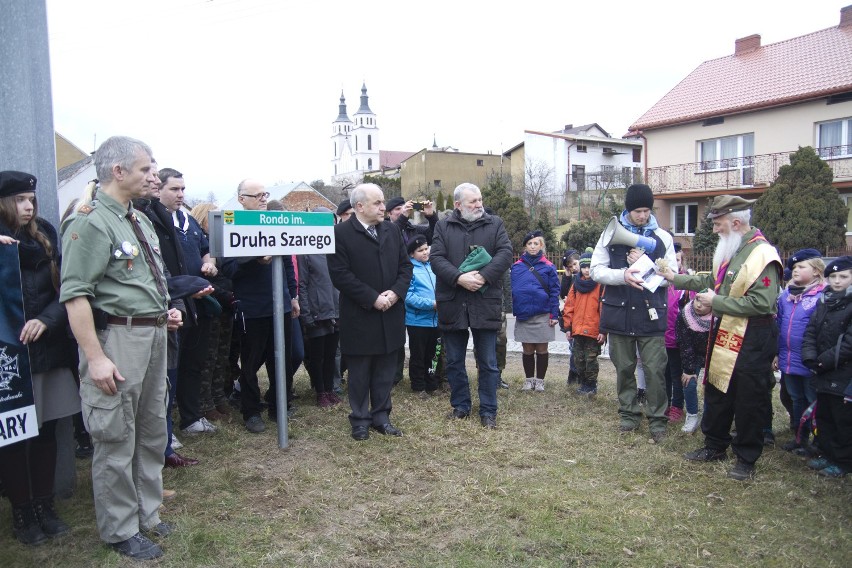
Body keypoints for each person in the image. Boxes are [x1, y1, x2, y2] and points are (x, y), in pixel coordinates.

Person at [60, 136, 180, 559]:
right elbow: (75, 296)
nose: (153, 175)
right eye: (146, 169)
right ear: (118, 171)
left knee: (150, 428)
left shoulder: (139, 220)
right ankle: (120, 528)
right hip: (116, 340)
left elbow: (140, 281)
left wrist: (165, 311)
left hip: (152, 335)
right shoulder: (90, 220)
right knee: (115, 434)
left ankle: (148, 512)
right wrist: (96, 358)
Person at [659, 195, 782, 481]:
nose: (714, 230)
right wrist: (674, 278)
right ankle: (714, 445)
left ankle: (746, 458)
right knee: (717, 388)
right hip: (725, 329)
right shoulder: (732, 249)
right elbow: (709, 281)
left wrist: (717, 303)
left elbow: (762, 304)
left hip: (753, 335)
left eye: (717, 224)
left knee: (748, 396)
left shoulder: (762, 255)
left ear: (735, 222)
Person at [0, 171, 79, 545]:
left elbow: (66, 287)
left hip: (48, 349)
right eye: (19, 199)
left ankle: (45, 505)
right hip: (10, 357)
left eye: (31, 198)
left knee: (47, 430)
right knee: (16, 435)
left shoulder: (46, 232)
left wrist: (46, 320)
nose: (29, 205)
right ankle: (22, 510)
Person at [590, 183, 676, 443]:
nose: (642, 216)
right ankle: (628, 415)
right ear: (628, 209)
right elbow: (596, 270)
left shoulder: (663, 238)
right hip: (620, 314)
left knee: (655, 370)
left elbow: (670, 276)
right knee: (624, 368)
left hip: (651, 315)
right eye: (637, 210)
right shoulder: (611, 235)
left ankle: (657, 421)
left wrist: (643, 266)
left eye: (647, 210)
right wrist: (623, 275)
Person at [328, 183, 412, 440]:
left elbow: (405, 267)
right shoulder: (340, 233)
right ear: (360, 206)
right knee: (360, 372)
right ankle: (360, 420)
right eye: (377, 203)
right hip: (360, 315)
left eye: (383, 202)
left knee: (386, 370)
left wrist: (395, 293)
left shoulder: (392, 230)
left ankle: (381, 416)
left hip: (390, 313)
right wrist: (372, 298)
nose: (383, 207)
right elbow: (340, 275)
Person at [132, 164, 200, 468]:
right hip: (137, 325)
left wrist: (179, 304)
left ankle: (163, 449)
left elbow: (164, 271)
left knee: (169, 380)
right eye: (175, 188)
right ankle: (159, 449)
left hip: (172, 310)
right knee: (153, 392)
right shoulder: (136, 218)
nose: (180, 194)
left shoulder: (153, 218)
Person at [430, 183, 513, 429]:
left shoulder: (494, 223)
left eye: (480, 200)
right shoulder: (443, 226)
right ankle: (461, 406)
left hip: (484, 301)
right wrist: (458, 278)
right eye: (472, 202)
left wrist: (483, 276)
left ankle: (488, 410)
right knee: (454, 360)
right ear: (457, 205)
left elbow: (505, 253)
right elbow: (436, 258)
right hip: (453, 301)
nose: (479, 205)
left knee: (488, 361)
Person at [229, 179, 299, 433]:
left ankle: (279, 405)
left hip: (280, 307)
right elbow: (229, 269)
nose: (262, 199)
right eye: (256, 195)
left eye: (265, 194)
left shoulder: (276, 224)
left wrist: (293, 295)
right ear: (242, 200)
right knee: (250, 363)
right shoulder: (233, 226)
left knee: (282, 360)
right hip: (252, 309)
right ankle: (251, 411)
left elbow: (288, 264)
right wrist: (255, 260)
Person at [158, 168, 220, 436]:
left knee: (194, 362)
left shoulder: (188, 220)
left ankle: (191, 419)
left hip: (200, 303)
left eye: (183, 189)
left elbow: (207, 250)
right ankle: (165, 429)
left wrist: (210, 265)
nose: (181, 194)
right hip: (173, 304)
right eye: (174, 189)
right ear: (158, 189)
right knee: (169, 368)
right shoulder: (152, 221)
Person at [801, 256, 852, 478]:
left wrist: (823, 361)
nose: (838, 281)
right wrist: (810, 357)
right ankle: (828, 453)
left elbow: (849, 343)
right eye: (833, 277)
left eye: (844, 276)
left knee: (843, 419)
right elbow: (811, 331)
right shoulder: (824, 301)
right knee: (826, 415)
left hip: (843, 372)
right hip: (822, 369)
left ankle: (843, 461)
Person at [774, 249, 825, 455]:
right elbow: (779, 325)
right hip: (789, 358)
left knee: (813, 400)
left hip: (809, 360)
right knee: (796, 398)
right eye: (794, 267)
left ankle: (819, 440)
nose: (795, 270)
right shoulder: (786, 296)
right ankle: (799, 437)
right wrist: (777, 353)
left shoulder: (821, 296)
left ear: (816, 271)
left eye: (802, 267)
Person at [190, 202, 236, 423]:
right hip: (211, 305)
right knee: (208, 356)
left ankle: (219, 396)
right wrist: (225, 294)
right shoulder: (201, 244)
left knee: (222, 354)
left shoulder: (225, 244)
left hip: (227, 307)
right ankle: (205, 402)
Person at [298, 206, 341, 408]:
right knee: (317, 355)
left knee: (331, 353)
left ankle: (330, 389)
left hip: (335, 309)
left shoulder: (336, 248)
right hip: (316, 311)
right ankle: (320, 391)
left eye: (332, 221)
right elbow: (303, 284)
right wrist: (306, 314)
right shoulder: (305, 250)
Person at [511, 230, 560, 391]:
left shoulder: (549, 267)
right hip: (524, 314)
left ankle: (540, 380)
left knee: (541, 349)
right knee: (527, 349)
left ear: (541, 246)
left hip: (543, 313)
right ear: (525, 247)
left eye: (536, 243)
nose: (532, 247)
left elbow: (554, 291)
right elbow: (512, 290)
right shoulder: (517, 267)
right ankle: (529, 379)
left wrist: (554, 314)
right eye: (529, 244)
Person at [562, 248, 605, 396]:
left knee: (591, 360)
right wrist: (568, 327)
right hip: (577, 329)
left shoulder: (601, 285)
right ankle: (583, 382)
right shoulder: (575, 285)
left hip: (593, 330)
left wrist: (603, 330)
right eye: (584, 267)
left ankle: (591, 385)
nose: (587, 270)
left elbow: (604, 310)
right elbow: (569, 307)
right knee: (578, 359)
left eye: (590, 267)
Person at [404, 234, 440, 398]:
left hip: (436, 321)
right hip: (417, 321)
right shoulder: (409, 269)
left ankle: (432, 383)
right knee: (418, 355)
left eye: (426, 249)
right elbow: (409, 297)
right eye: (420, 250)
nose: (425, 252)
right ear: (412, 254)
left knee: (433, 355)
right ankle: (418, 386)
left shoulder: (434, 267)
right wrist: (431, 304)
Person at [675, 295, 713, 434]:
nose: (698, 305)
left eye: (704, 304)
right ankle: (692, 415)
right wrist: (689, 369)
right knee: (688, 382)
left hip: (713, 354)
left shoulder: (718, 318)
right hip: (692, 353)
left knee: (713, 386)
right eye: (697, 300)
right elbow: (684, 343)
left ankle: (709, 417)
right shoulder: (684, 315)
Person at [664, 243, 690, 422]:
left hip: (677, 338)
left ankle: (677, 406)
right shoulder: (661, 282)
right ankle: (665, 402)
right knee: (662, 373)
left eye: (677, 260)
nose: (674, 263)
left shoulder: (686, 285)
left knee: (676, 374)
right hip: (659, 336)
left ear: (681, 263)